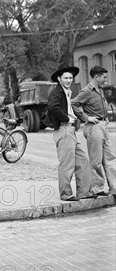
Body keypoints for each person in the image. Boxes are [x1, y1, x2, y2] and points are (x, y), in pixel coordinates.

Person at [46, 64, 93, 202]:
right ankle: (66, 194)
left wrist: (75, 120)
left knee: (83, 160)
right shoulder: (56, 92)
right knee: (67, 164)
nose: (68, 80)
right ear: (59, 79)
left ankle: (84, 192)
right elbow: (53, 107)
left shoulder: (66, 91)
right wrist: (67, 118)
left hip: (70, 130)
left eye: (70, 78)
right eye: (66, 78)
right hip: (64, 129)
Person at [71, 66, 116, 197]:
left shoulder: (100, 90)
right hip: (93, 127)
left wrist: (106, 117)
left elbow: (101, 106)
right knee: (96, 160)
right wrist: (86, 118)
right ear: (96, 77)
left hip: (103, 126)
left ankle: (114, 188)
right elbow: (74, 104)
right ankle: (97, 188)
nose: (106, 80)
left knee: (110, 158)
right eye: (104, 77)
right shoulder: (87, 91)